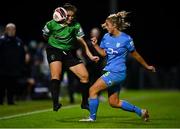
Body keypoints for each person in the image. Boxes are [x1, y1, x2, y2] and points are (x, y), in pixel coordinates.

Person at [80, 11, 156, 122]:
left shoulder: (126, 39)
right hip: (113, 72)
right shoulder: (106, 37)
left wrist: (147, 66)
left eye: (107, 24)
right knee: (114, 102)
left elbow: (136, 55)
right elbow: (103, 54)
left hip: (116, 72)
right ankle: (141, 112)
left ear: (114, 25)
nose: (105, 27)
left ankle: (92, 118)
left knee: (92, 90)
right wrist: (95, 45)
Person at [42, 3, 99, 111]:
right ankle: (55, 103)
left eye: (73, 16)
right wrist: (53, 41)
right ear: (62, 14)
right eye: (68, 15)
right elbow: (45, 35)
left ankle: (84, 103)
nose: (71, 18)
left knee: (85, 76)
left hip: (68, 52)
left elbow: (82, 42)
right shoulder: (51, 24)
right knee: (56, 76)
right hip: (54, 50)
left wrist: (91, 56)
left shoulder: (76, 25)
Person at [0, 23, 26, 105]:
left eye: (13, 29)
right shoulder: (1, 40)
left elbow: (23, 54)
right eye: (9, 29)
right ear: (6, 30)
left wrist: (21, 66)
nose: (11, 31)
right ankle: (0, 101)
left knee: (12, 85)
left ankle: (10, 101)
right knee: (2, 86)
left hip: (14, 68)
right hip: (2, 68)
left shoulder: (19, 41)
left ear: (15, 30)